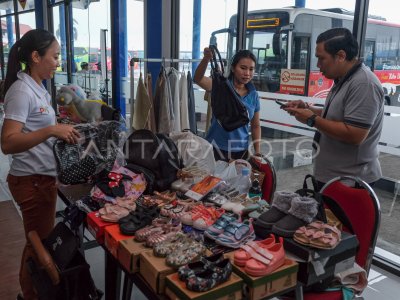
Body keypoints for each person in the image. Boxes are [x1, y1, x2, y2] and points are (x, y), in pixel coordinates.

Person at [0, 29, 80, 300]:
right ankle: (31, 294)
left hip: (41, 179)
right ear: (36, 56)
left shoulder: (39, 88)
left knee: (37, 243)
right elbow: (8, 142)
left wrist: (61, 130)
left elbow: (39, 128)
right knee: (39, 246)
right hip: (31, 182)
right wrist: (50, 131)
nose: (58, 61)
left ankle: (29, 293)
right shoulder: (21, 91)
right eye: (55, 56)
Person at [284, 28, 384, 190]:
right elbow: (337, 115)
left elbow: (354, 134)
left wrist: (311, 119)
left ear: (341, 56)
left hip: (350, 182)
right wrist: (307, 109)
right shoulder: (344, 79)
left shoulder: (364, 84)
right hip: (334, 176)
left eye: (321, 59)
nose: (318, 65)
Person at [194, 48, 261, 161]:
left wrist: (257, 151)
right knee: (214, 179)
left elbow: (255, 126)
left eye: (251, 69)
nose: (247, 73)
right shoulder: (221, 87)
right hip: (215, 148)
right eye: (243, 68)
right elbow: (198, 79)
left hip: (241, 151)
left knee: (238, 179)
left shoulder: (253, 95)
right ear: (233, 68)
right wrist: (206, 59)